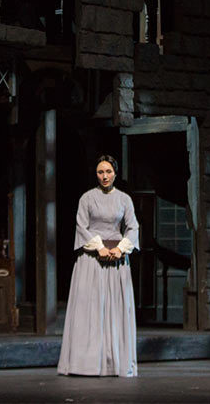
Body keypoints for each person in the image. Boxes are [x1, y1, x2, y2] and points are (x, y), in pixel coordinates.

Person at [57, 154, 140, 377]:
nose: (104, 176)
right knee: (89, 309)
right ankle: (86, 363)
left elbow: (133, 227)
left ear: (115, 173)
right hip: (91, 260)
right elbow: (81, 226)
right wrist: (98, 247)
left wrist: (121, 248)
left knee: (115, 310)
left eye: (108, 172)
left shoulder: (124, 199)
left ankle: (115, 362)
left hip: (116, 260)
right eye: (100, 172)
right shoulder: (87, 198)